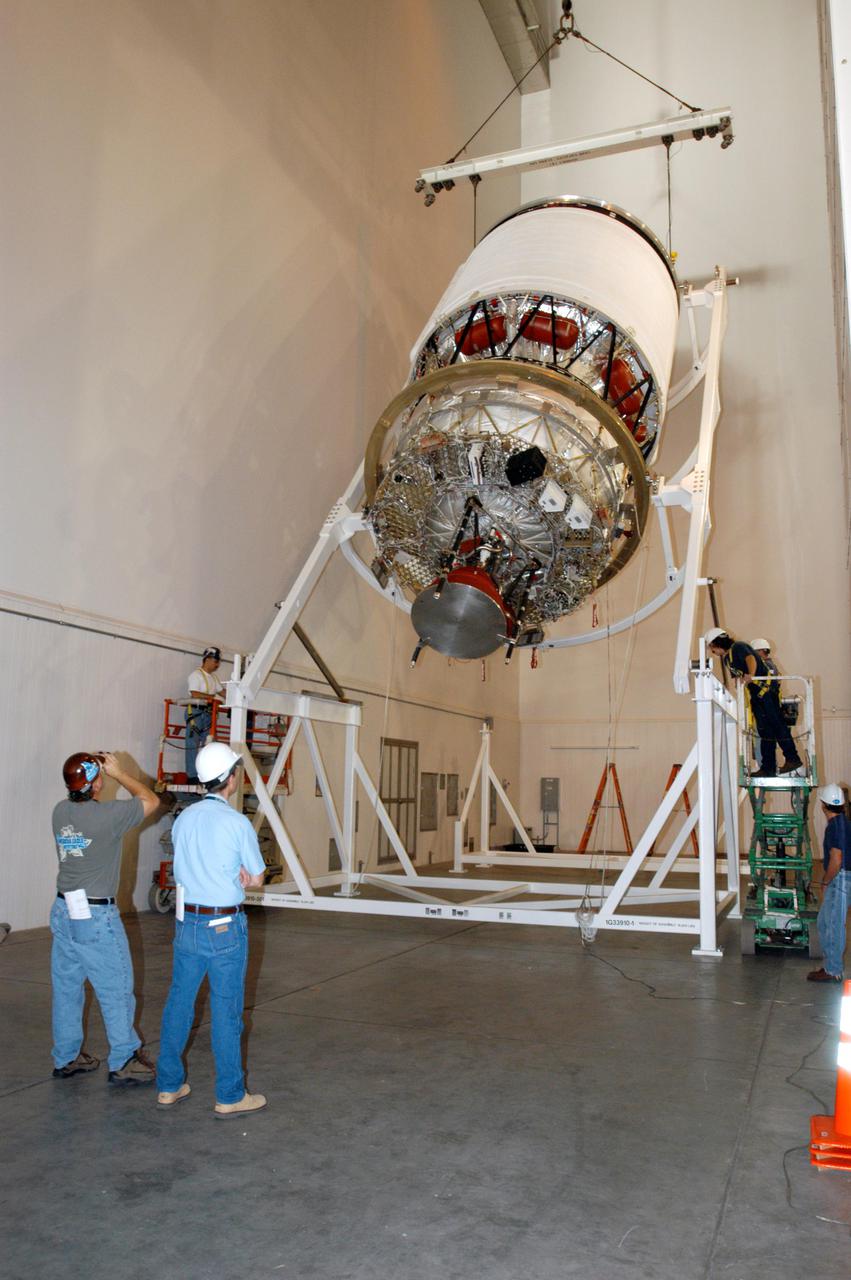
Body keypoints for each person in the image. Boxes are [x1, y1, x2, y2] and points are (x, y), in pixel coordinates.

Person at [156, 741, 267, 1118]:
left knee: (178, 1005)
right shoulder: (236, 823)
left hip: (187, 924)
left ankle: (169, 1086)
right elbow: (255, 878)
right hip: (224, 928)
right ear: (231, 779)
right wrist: (240, 875)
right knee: (226, 1012)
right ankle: (230, 1095)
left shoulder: (184, 818)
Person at [51, 751, 160, 1083]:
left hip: (63, 910)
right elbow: (151, 800)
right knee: (115, 988)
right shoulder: (109, 816)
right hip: (95, 915)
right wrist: (121, 773)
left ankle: (67, 1057)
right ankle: (124, 1058)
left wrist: (101, 773)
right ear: (96, 782)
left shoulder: (60, 811)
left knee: (67, 988)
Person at [704, 628, 803, 776]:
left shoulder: (738, 647)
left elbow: (750, 658)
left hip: (766, 691)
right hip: (756, 695)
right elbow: (738, 675)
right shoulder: (727, 658)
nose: (712, 651)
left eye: (711, 647)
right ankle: (768, 768)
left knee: (777, 725)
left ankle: (792, 758)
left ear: (715, 643)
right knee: (765, 731)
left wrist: (750, 674)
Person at [808, 783, 851, 983]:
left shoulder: (836, 826)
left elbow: (837, 859)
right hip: (842, 877)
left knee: (834, 924)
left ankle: (833, 970)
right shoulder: (842, 822)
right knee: (824, 921)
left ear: (823, 805)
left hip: (840, 878)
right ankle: (830, 964)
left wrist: (825, 881)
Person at [185, 646, 225, 781]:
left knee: (210, 745)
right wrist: (212, 698)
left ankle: (208, 774)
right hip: (196, 713)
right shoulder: (195, 675)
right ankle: (191, 775)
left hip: (208, 714)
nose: (217, 664)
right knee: (192, 743)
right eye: (215, 661)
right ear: (207, 659)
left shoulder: (214, 678)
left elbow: (222, 692)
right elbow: (194, 693)